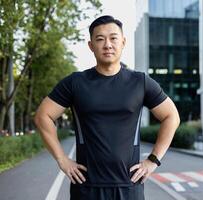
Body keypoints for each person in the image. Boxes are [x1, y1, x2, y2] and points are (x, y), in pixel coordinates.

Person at [34, 15, 180, 200]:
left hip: (129, 186)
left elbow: (171, 116)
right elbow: (42, 116)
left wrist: (153, 160)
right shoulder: (75, 82)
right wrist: (62, 159)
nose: (107, 44)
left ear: (123, 42)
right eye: (100, 39)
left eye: (113, 38)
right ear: (91, 45)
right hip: (87, 187)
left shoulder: (140, 82)